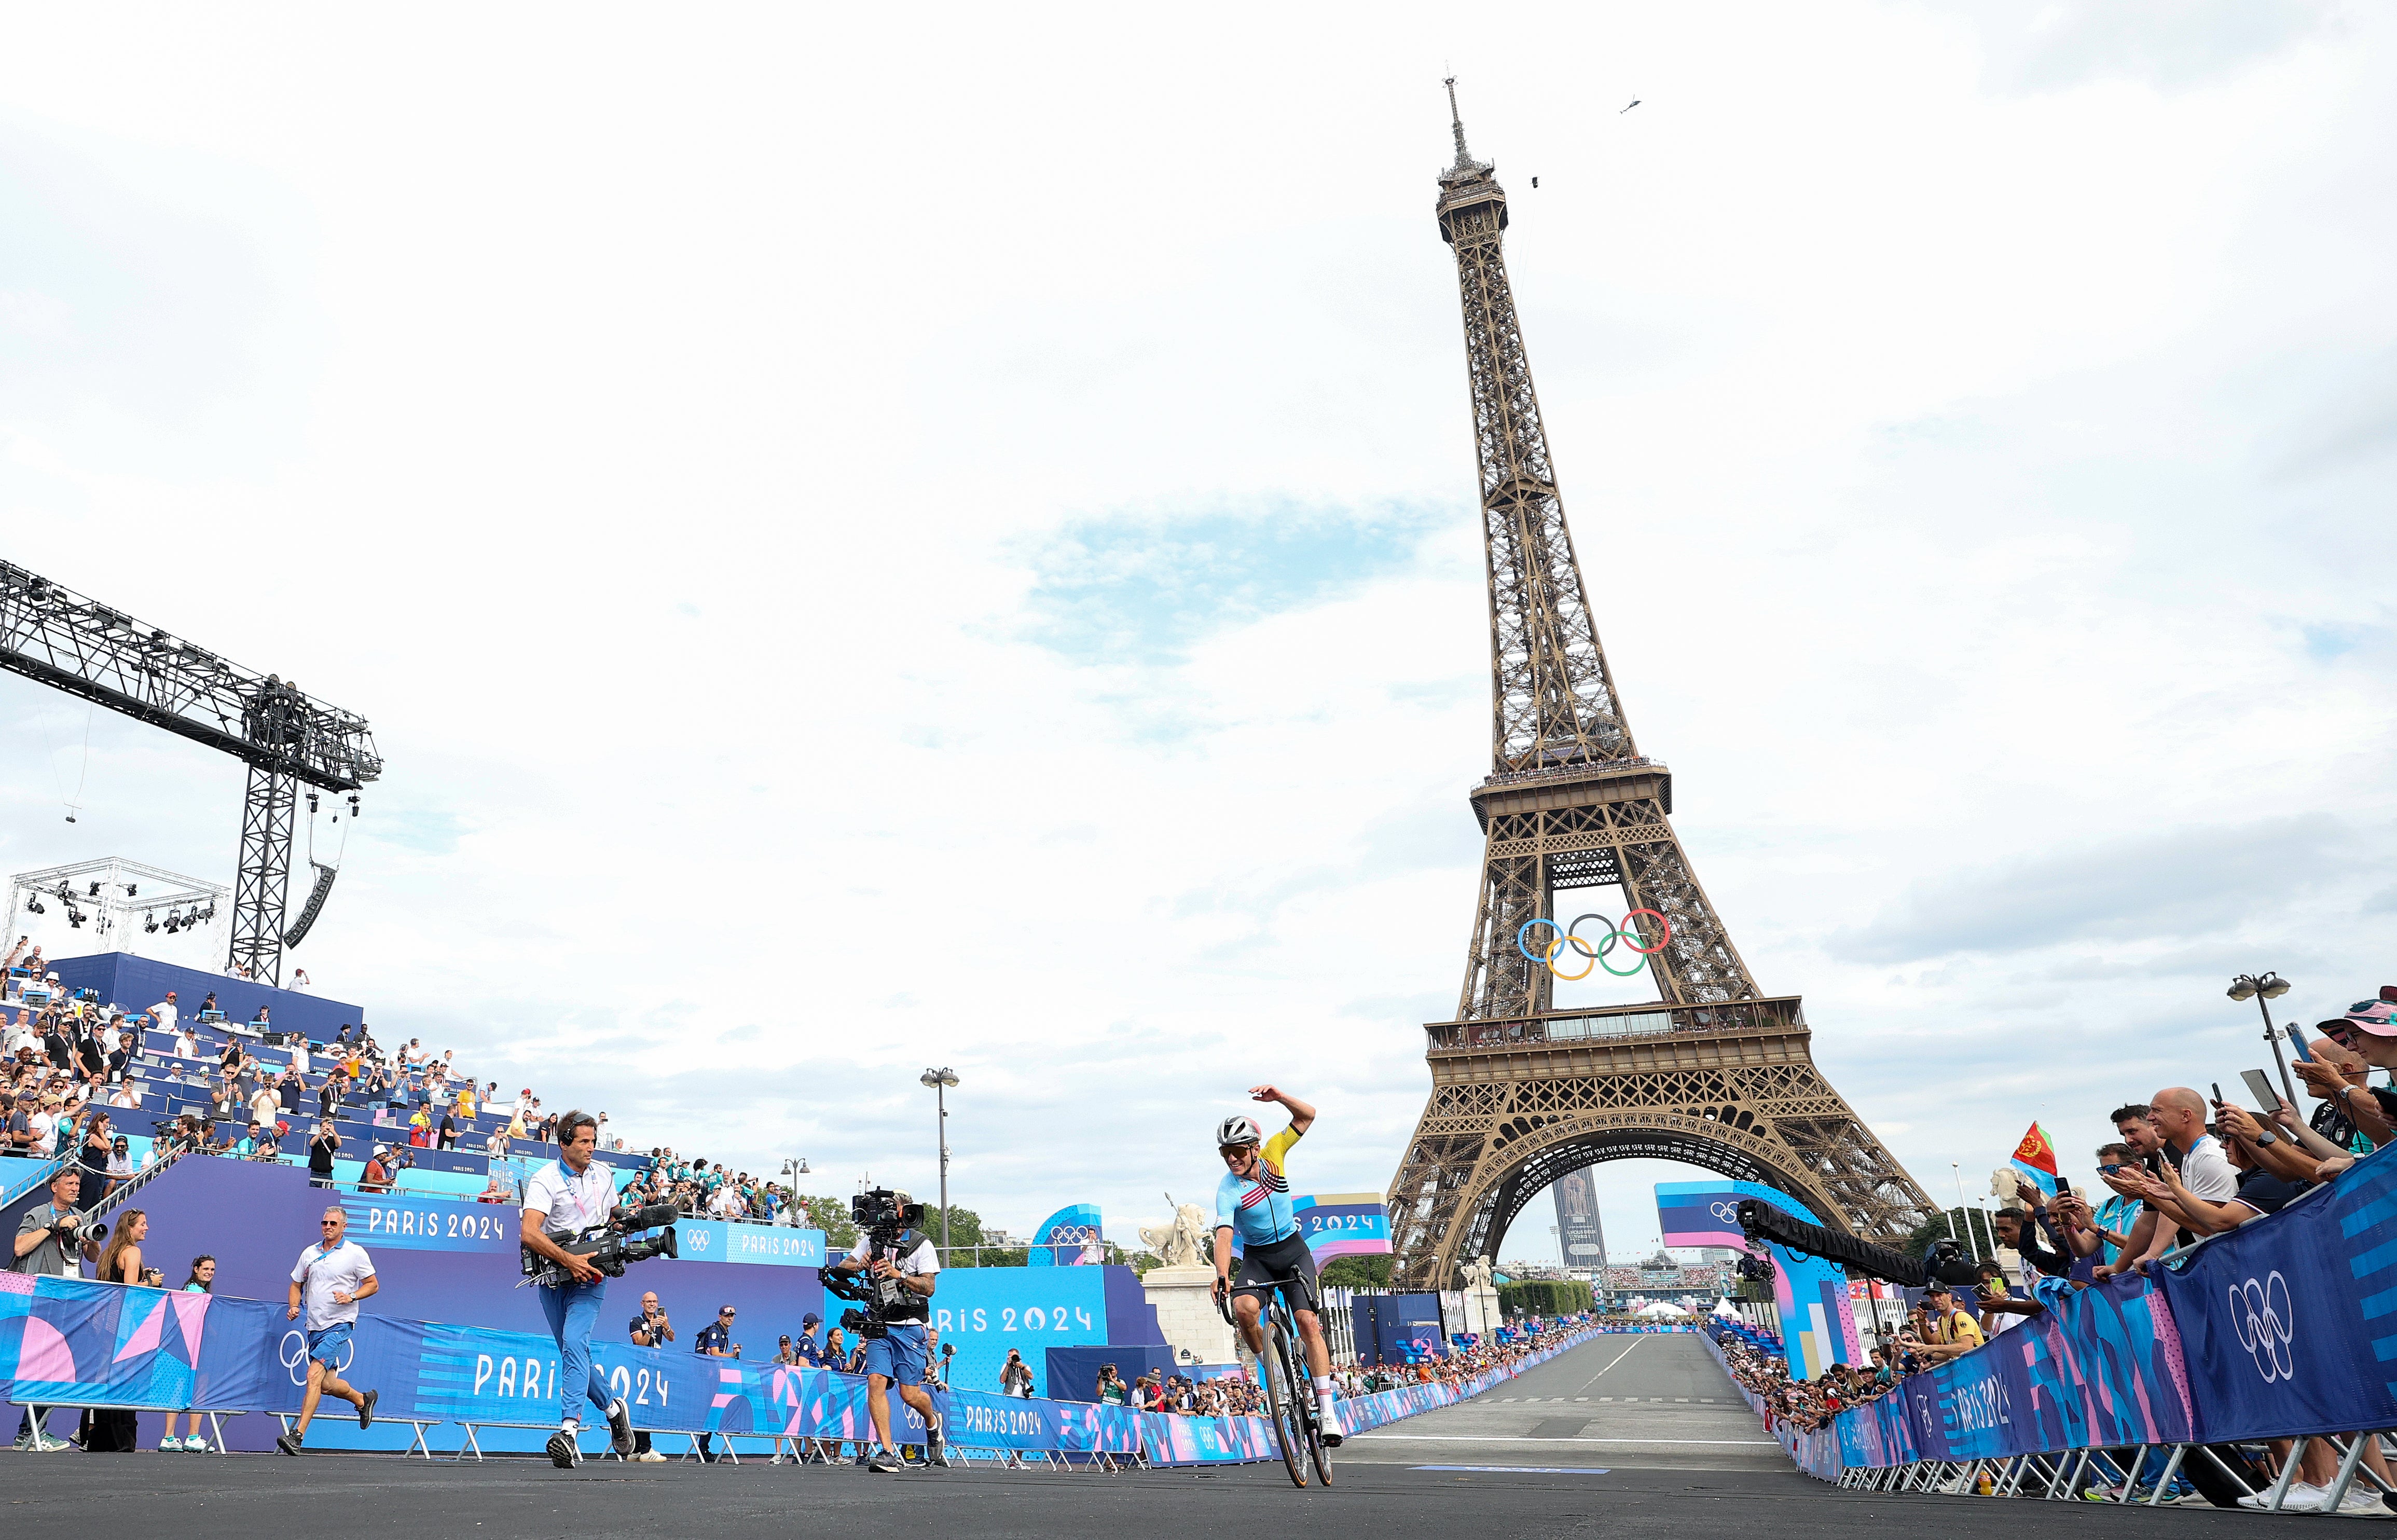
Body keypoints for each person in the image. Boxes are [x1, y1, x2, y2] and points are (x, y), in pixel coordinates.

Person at [1210, 1083, 1342, 1446]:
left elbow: (1307, 1116)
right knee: (1244, 1308)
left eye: (1238, 1151)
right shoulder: (1228, 1189)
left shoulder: (1274, 1154)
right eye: (1226, 1154)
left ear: (1254, 1148)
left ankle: (1328, 1412)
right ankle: (1270, 1371)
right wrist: (1222, 1274)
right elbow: (1224, 1235)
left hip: (1293, 1251)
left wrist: (1280, 1097)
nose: (1232, 1160)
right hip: (1259, 1258)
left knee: (1307, 1322)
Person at [519, 1110, 636, 1468]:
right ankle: (615, 1409)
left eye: (593, 1141)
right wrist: (568, 1261)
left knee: (574, 1344)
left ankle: (568, 1433)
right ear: (564, 1142)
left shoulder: (603, 1174)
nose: (591, 1148)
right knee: (576, 1355)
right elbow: (529, 1233)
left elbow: (617, 1214)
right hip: (553, 1279)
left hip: (591, 1278)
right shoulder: (544, 1180)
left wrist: (636, 1218)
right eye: (584, 1141)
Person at [825, 1193, 947, 1473]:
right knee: (876, 1381)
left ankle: (932, 1421)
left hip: (910, 1325)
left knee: (909, 1394)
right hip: (878, 1322)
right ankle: (888, 1452)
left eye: (895, 1210)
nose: (889, 1216)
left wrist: (898, 1274)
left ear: (907, 1212)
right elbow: (844, 1268)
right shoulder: (871, 1240)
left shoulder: (920, 1243)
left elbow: (929, 1288)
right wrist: (861, 1265)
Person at [277, 1206, 381, 1455]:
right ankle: (362, 1399)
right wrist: (294, 1306)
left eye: (333, 1223)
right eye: (325, 1223)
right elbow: (296, 1285)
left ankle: (297, 1435)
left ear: (344, 1227)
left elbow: (373, 1285)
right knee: (326, 1384)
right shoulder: (309, 1253)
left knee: (313, 1376)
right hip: (314, 1326)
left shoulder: (355, 1253)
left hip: (339, 1324)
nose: (328, 1227)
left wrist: (351, 1296)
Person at [623, 1290, 672, 1463]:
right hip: (641, 1369)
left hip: (656, 1368)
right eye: (649, 1302)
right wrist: (651, 1328)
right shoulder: (636, 1321)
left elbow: (672, 1338)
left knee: (649, 1407)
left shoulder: (661, 1319)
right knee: (642, 1407)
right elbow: (639, 1343)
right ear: (642, 1304)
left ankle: (637, 1450)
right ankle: (645, 1449)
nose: (652, 1304)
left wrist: (665, 1325)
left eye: (655, 1302)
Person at [694, 1305, 740, 1462]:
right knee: (709, 1414)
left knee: (713, 1413)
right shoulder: (715, 1332)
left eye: (732, 1316)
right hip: (708, 1380)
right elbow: (715, 1355)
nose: (730, 1318)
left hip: (714, 1380)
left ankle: (703, 1449)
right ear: (720, 1316)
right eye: (727, 1316)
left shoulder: (723, 1333)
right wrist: (733, 1355)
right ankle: (702, 1450)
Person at [306, 1120, 341, 1190]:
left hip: (327, 1174)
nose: (326, 1128)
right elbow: (311, 1144)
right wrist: (321, 1132)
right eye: (324, 1126)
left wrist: (333, 1131)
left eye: (327, 1127)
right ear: (320, 1128)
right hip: (314, 1173)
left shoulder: (332, 1139)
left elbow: (339, 1144)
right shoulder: (316, 1138)